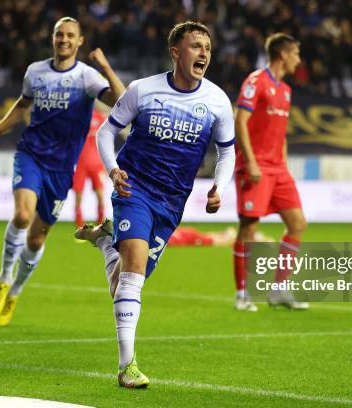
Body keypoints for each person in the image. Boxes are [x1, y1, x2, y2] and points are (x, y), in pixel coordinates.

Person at [75, 21, 235, 388]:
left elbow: (227, 152)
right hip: (134, 189)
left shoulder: (216, 101)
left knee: (124, 284)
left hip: (171, 202)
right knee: (132, 272)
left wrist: (219, 189)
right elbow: (106, 132)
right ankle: (126, 366)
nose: (204, 53)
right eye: (196, 46)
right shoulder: (142, 90)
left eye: (207, 47)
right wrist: (113, 170)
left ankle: (103, 242)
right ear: (176, 52)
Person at [0, 17, 125, 326]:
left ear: (79, 41)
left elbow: (120, 101)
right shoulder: (36, 71)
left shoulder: (87, 77)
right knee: (22, 215)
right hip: (31, 154)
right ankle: (4, 279)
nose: (64, 39)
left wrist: (106, 67)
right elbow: (22, 106)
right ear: (53, 38)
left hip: (61, 169)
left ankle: (15, 292)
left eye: (70, 35)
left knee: (35, 240)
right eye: (59, 34)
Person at [232, 33, 309, 312]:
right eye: (296, 54)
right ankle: (242, 295)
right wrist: (250, 161)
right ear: (283, 55)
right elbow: (240, 121)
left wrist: (284, 166)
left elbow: (281, 134)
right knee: (249, 228)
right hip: (256, 167)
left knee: (298, 223)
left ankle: (279, 290)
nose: (299, 60)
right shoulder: (256, 82)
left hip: (278, 170)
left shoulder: (286, 91)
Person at [72, 108, 107, 228]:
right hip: (81, 163)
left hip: (96, 163)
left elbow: (106, 137)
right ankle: (79, 223)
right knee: (78, 194)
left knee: (100, 194)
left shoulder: (100, 117)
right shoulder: (78, 117)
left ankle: (101, 222)